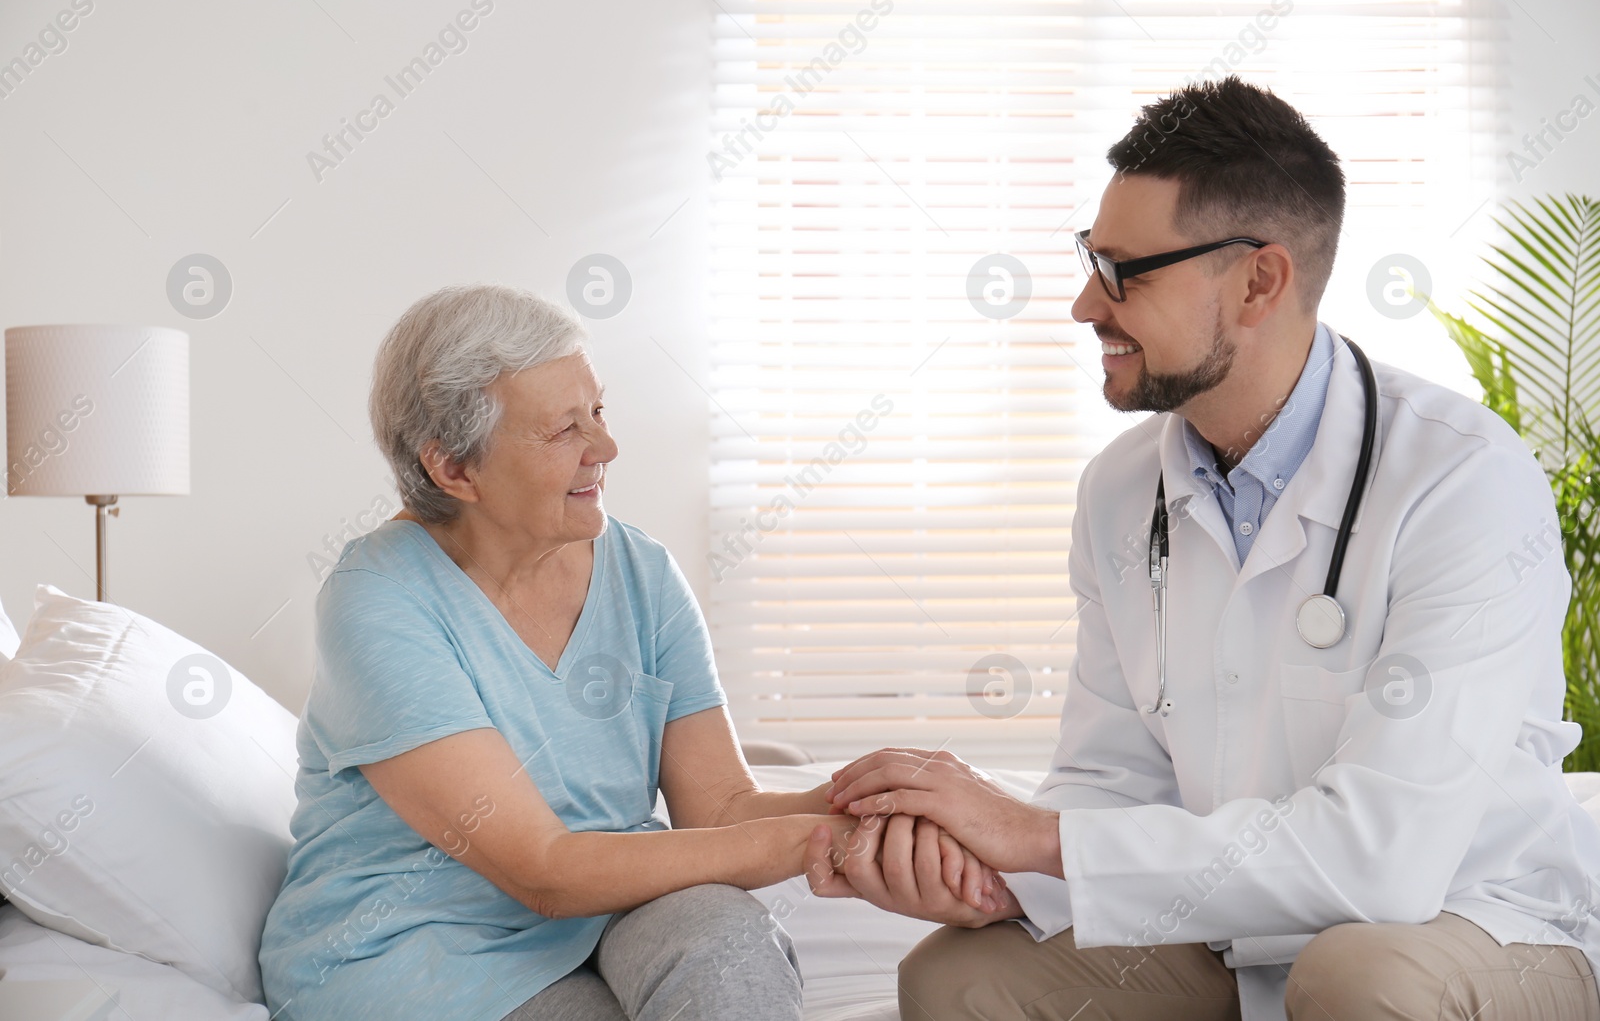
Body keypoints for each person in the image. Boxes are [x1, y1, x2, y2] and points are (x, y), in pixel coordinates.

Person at [804, 78, 1600, 1021]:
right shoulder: (1118, 489)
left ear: (1260, 281)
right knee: (959, 974)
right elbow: (1112, 781)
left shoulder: (1463, 479)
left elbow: (1385, 861)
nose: (1081, 306)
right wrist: (992, 873)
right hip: (1231, 931)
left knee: (1359, 978)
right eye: (1089, 261)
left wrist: (1031, 835)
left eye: (1123, 272)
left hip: (1470, 915)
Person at [259, 284, 1006, 1021]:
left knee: (727, 944)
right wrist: (827, 841)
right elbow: (543, 870)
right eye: (563, 431)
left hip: (607, 908)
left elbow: (719, 808)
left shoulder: (641, 572)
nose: (607, 448)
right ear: (453, 468)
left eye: (598, 411)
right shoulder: (378, 600)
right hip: (419, 949)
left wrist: (889, 800)